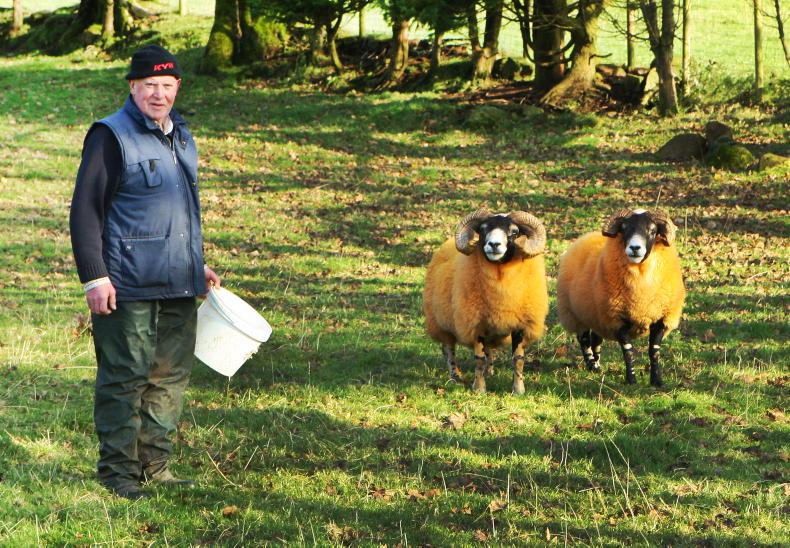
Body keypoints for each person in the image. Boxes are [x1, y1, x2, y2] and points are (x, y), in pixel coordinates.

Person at [69, 44, 221, 500]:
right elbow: (85, 210)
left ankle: (155, 465)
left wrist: (196, 263)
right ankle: (118, 472)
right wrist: (95, 276)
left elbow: (177, 211)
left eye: (166, 85)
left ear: (178, 87)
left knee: (169, 376)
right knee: (125, 377)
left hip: (178, 281)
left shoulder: (182, 136)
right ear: (133, 87)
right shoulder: (110, 136)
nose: (158, 94)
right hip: (126, 284)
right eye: (149, 85)